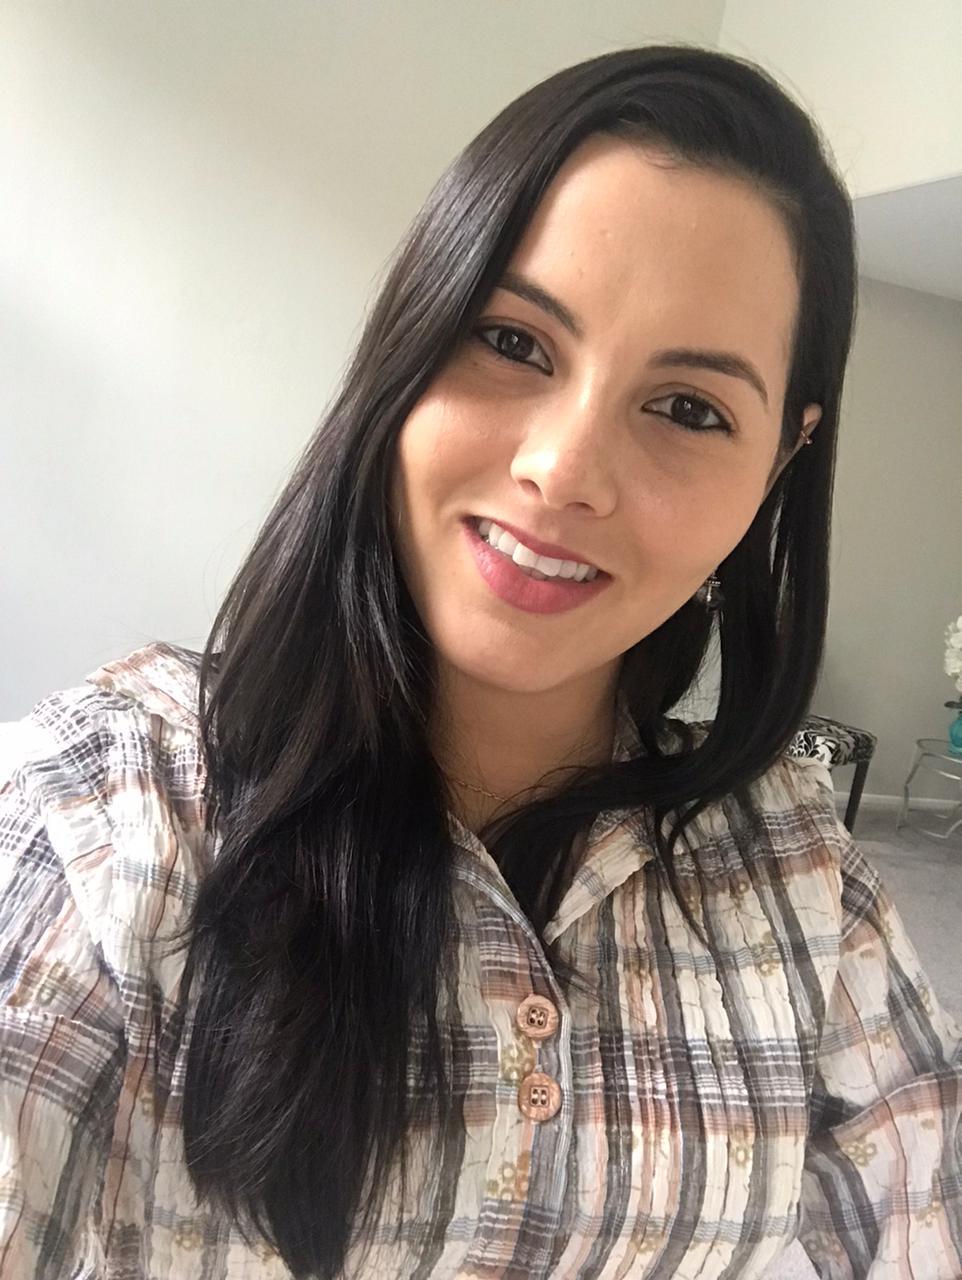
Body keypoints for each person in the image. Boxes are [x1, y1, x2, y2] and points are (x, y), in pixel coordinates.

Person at [1, 41, 960, 1280]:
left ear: (778, 461)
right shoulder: (108, 809)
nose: (562, 470)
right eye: (511, 340)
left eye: (687, 408)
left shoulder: (794, 867)